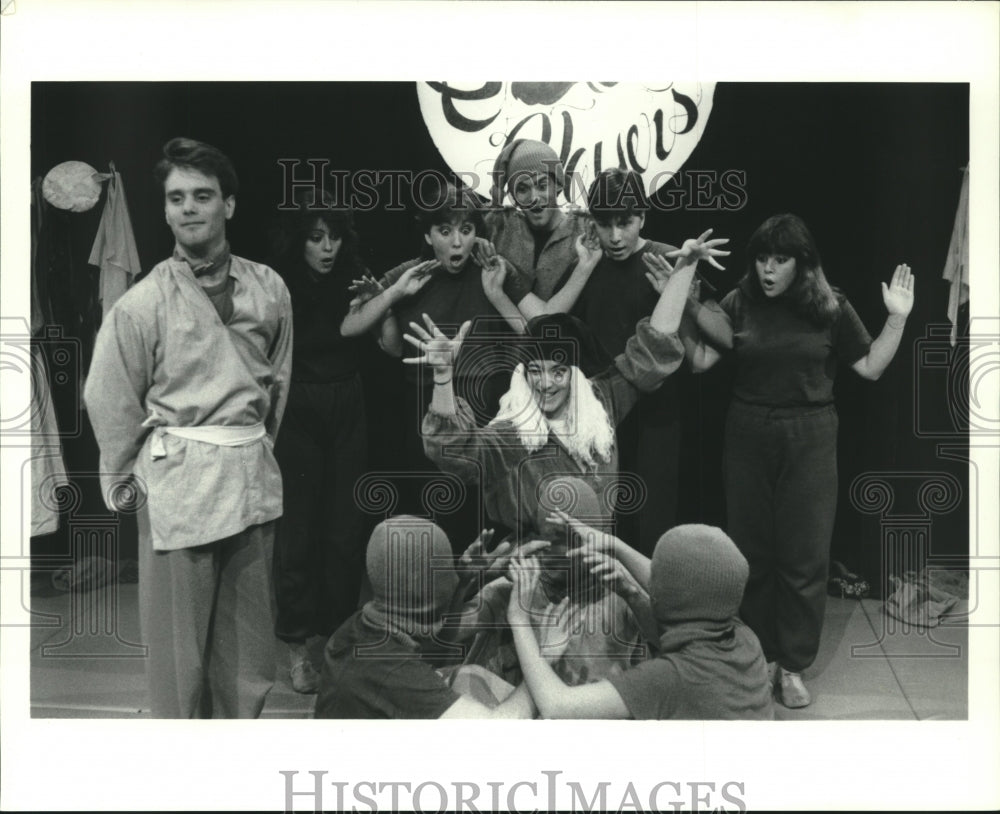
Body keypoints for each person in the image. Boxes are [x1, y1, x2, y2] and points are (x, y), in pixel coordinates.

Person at [84, 137, 293, 718]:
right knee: (179, 659)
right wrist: (128, 480)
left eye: (202, 195)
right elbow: (110, 399)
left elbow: (278, 382)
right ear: (165, 210)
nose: (189, 208)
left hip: (249, 478)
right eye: (176, 198)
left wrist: (258, 448)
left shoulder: (269, 289)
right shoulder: (142, 303)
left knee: (248, 651)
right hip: (178, 486)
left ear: (229, 204)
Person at [680, 213, 915, 708]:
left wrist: (897, 318)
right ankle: (759, 657)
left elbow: (870, 366)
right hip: (747, 431)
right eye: (761, 258)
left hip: (810, 434)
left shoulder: (830, 307)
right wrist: (681, 303)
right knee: (750, 551)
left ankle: (791, 665)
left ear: (803, 263)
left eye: (780, 259)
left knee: (804, 555)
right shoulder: (739, 302)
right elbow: (700, 361)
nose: (768, 269)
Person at [410, 229, 728, 541]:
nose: (546, 384)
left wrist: (685, 268)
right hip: (536, 558)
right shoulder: (514, 431)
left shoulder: (600, 401)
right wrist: (443, 376)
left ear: (574, 374)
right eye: (535, 372)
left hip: (597, 554)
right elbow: (457, 454)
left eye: (558, 372)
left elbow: (651, 349)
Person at [340, 181, 529, 548]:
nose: (457, 242)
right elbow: (352, 327)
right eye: (445, 231)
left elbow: (532, 334)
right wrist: (393, 293)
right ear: (428, 235)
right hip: (427, 406)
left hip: (486, 402)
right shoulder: (413, 273)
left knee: (488, 519)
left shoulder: (492, 268)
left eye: (466, 230)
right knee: (440, 516)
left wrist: (496, 292)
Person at [506, 521, 775, 720]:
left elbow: (557, 705)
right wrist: (623, 568)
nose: (649, 580)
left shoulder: (672, 677)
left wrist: (518, 618)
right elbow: (682, 590)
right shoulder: (743, 636)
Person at [268, 191, 369, 694]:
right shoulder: (278, 283)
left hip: (347, 400)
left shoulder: (355, 275)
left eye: (334, 237)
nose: (327, 248)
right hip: (300, 404)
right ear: (299, 241)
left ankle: (336, 640)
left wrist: (380, 297)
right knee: (298, 530)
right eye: (316, 238)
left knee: (345, 529)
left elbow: (380, 335)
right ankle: (295, 645)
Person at [314, 516, 537, 719]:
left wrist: (465, 582)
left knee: (469, 675)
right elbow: (500, 729)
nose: (453, 576)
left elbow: (436, 644)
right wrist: (541, 661)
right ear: (421, 586)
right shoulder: (393, 674)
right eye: (446, 568)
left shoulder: (362, 626)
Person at [485, 138, 590, 301]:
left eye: (542, 186)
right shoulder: (501, 228)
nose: (533, 198)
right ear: (513, 195)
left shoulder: (584, 229)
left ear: (557, 185)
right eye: (522, 189)